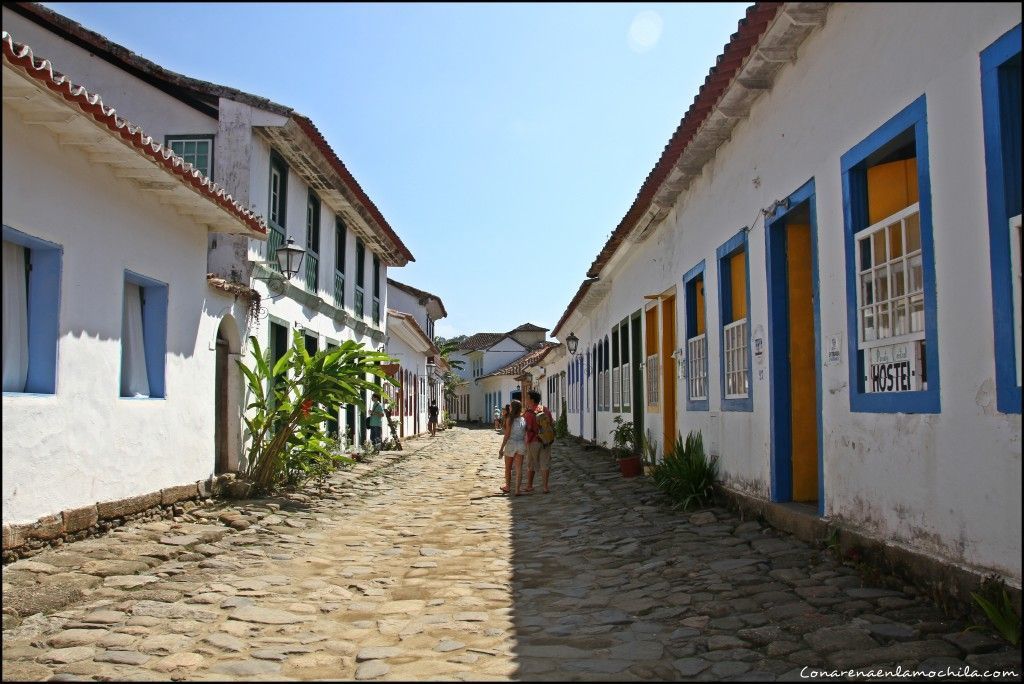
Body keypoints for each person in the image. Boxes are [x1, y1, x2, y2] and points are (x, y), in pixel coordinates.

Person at [524, 390, 554, 494]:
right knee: (545, 463)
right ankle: (545, 487)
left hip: (533, 441)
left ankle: (529, 485)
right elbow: (551, 423)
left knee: (531, 463)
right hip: (546, 440)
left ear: (532, 400)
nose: (526, 400)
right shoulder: (545, 410)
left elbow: (526, 428)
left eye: (527, 398)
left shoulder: (528, 413)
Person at [498, 399, 527, 495]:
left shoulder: (509, 419)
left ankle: (508, 486)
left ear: (512, 408)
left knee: (508, 467)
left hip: (511, 444)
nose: (509, 408)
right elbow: (525, 433)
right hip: (521, 444)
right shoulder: (523, 419)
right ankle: (517, 490)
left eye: (510, 406)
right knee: (519, 469)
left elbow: (507, 435)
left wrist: (501, 448)